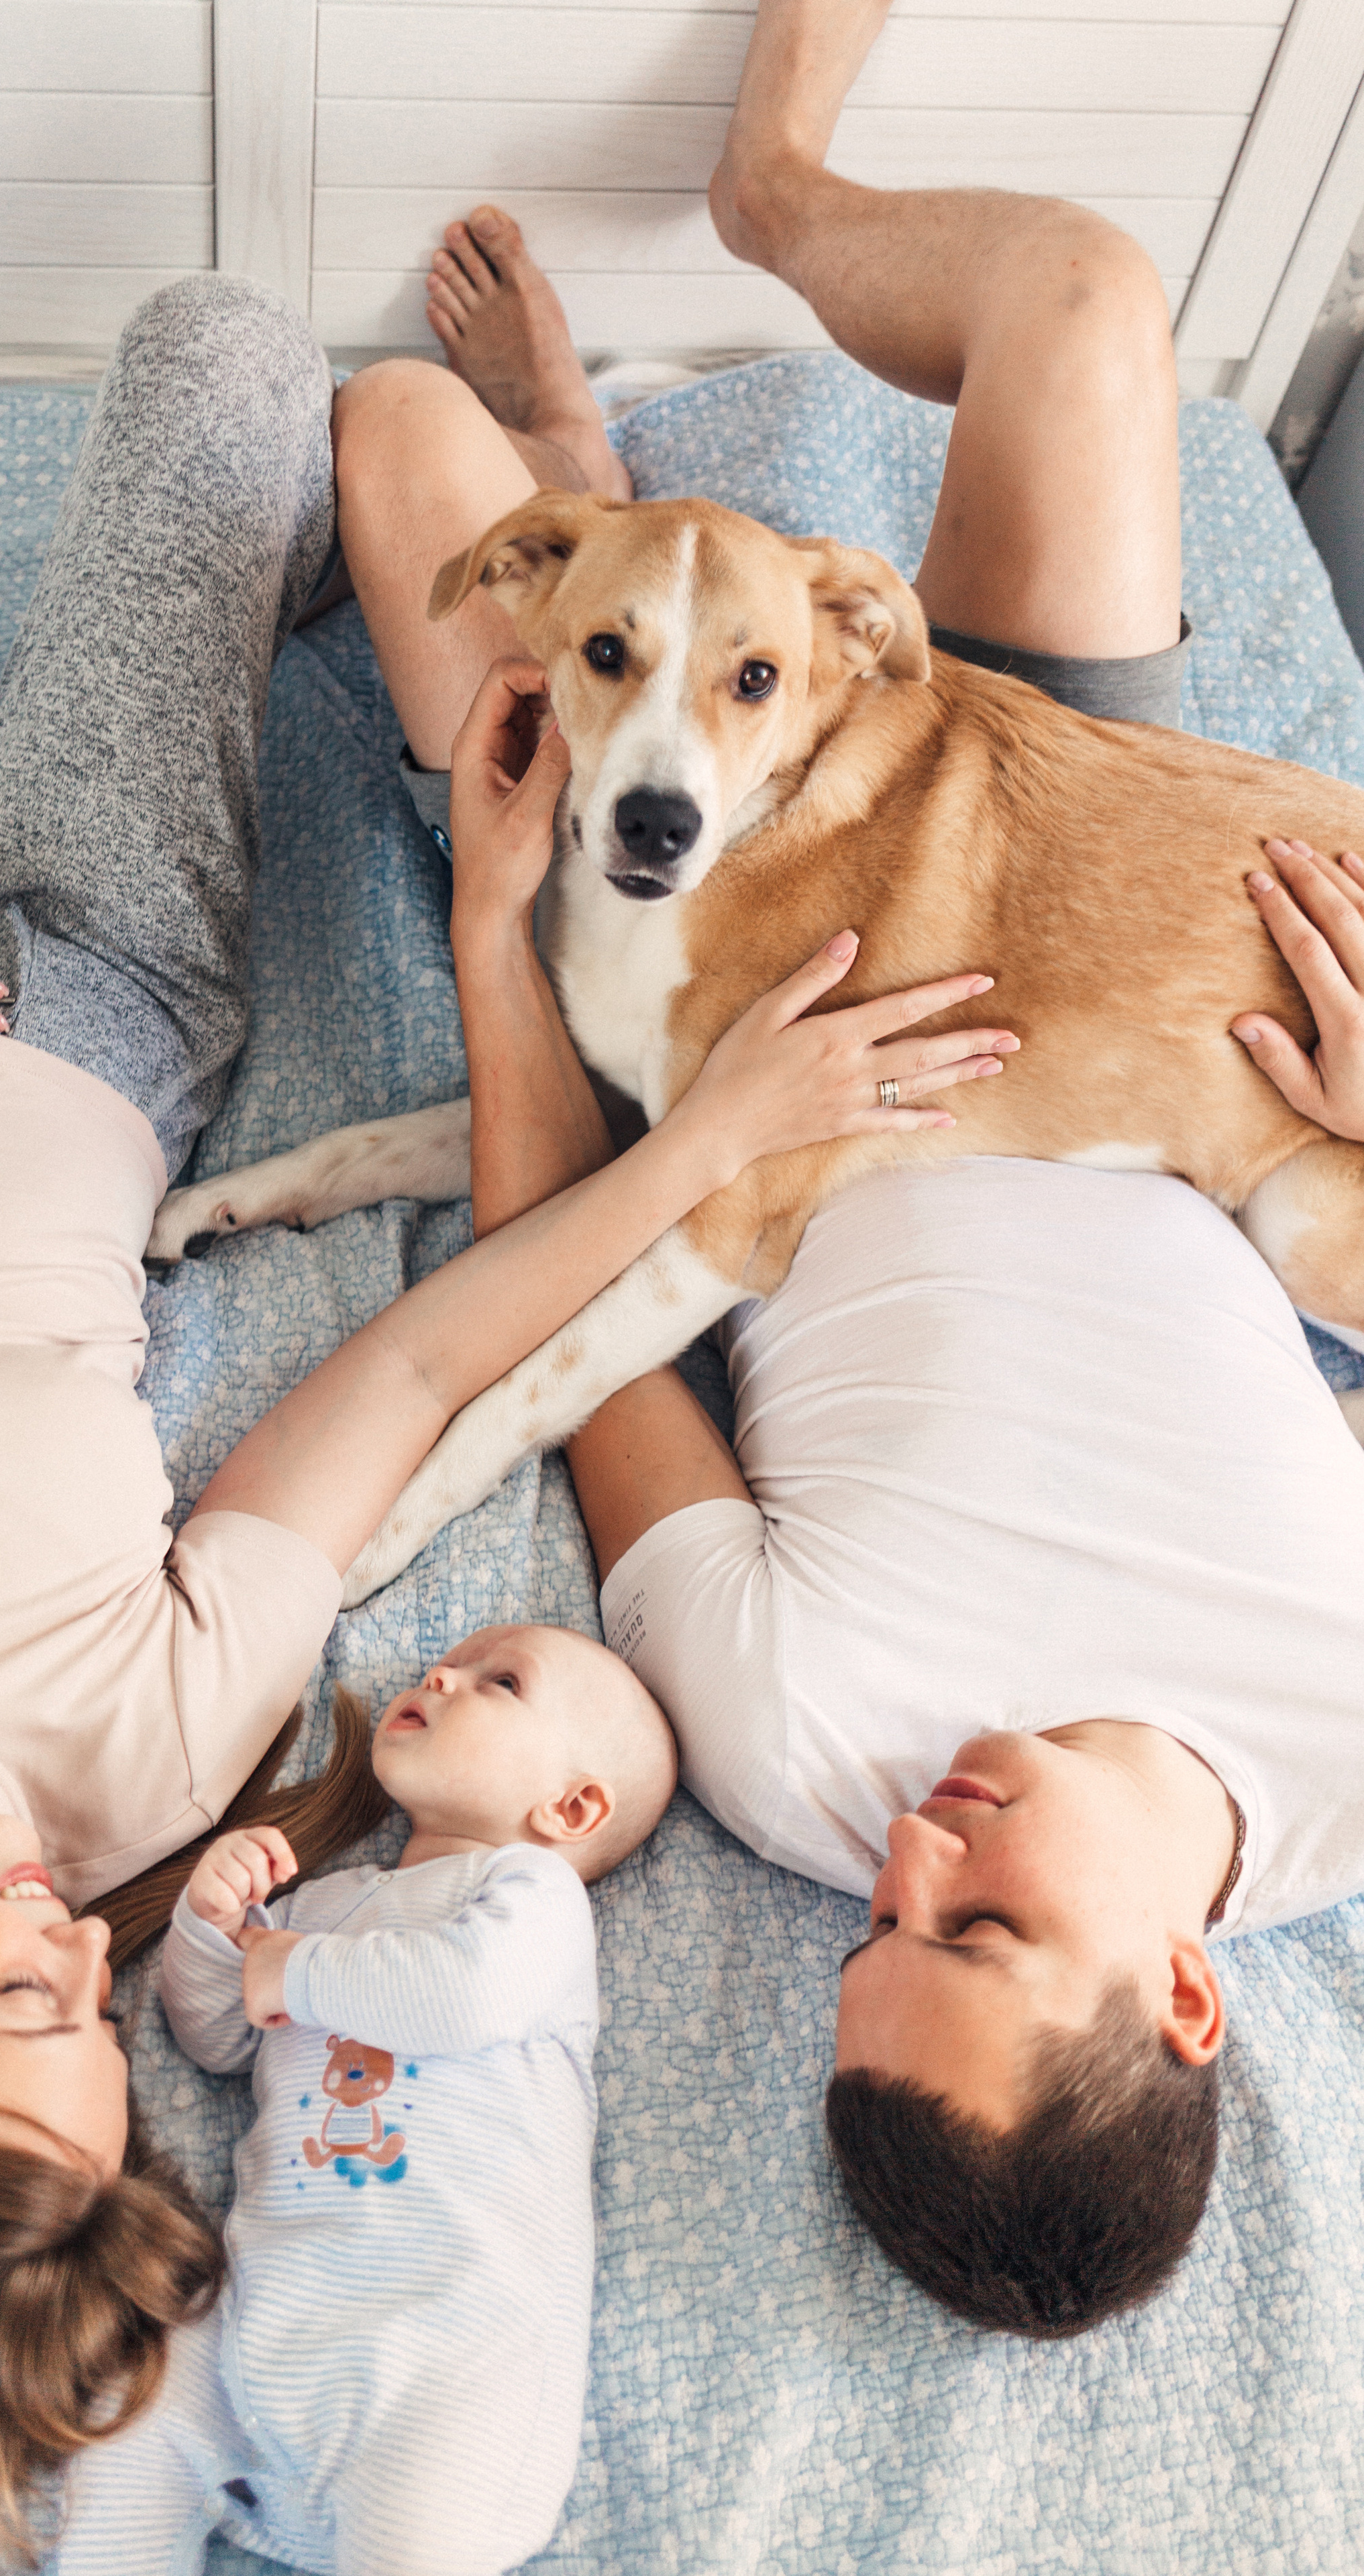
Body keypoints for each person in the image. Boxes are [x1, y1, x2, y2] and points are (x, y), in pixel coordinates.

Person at [0, 212, 984, 2553]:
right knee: (223, 346)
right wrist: (718, 1146)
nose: (83, 1957)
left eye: (20, 2015)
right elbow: (418, 1362)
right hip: (94, 967)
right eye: (103, 2028)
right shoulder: (140, 1780)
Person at [327, 0, 1364, 2337]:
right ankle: (773, 199)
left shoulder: (793, 1751)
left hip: (758, 1031)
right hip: (1114, 924)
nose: (904, 1860)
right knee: (1091, 295)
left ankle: (617, 549)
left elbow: (586, 1331)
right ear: (1190, 1994)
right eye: (976, 1929)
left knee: (400, 430)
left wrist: (506, 934)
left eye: (879, 1934)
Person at [55, 1626, 677, 2576]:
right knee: (132, 2412)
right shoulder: (326, 1902)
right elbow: (218, 2035)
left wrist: (291, 1970)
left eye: (499, 1682)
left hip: (445, 2371)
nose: (442, 1674)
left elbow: (465, 1993)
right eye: (455, 1663)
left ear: (573, 1805)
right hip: (262, 2336)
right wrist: (214, 1929)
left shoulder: (534, 1899)